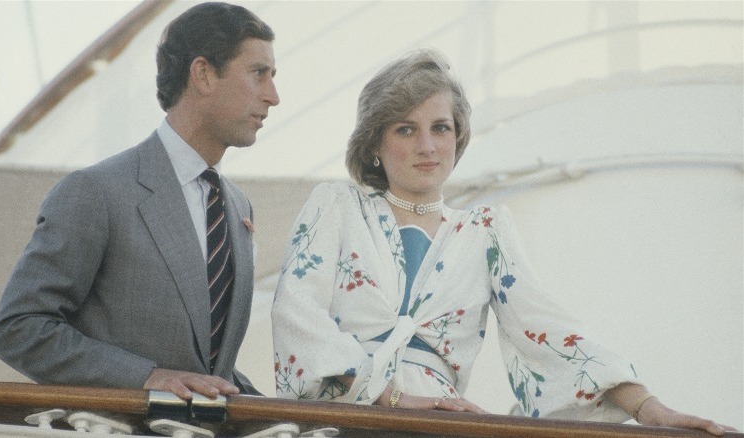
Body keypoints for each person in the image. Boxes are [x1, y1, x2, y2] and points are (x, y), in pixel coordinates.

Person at [271, 49, 734, 435]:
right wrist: (390, 396)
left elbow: (548, 329)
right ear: (374, 142)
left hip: (444, 425)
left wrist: (650, 410)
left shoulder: (485, 230)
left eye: (440, 128)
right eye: (405, 129)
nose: (427, 146)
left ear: (459, 137)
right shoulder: (337, 205)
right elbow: (298, 312)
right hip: (339, 416)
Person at [0, 2, 279, 401]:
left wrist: (281, 414)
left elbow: (208, 367)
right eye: (259, 74)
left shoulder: (237, 206)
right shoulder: (96, 192)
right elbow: (20, 328)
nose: (273, 96)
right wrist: (146, 377)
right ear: (204, 74)